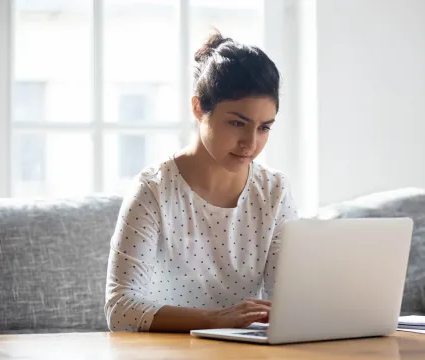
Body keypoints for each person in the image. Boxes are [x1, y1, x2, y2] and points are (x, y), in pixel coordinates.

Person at [104, 30, 299, 333]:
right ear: (198, 108)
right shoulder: (153, 189)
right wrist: (215, 319)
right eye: (237, 123)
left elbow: (289, 304)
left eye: (264, 128)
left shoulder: (274, 192)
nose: (251, 142)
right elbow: (120, 309)